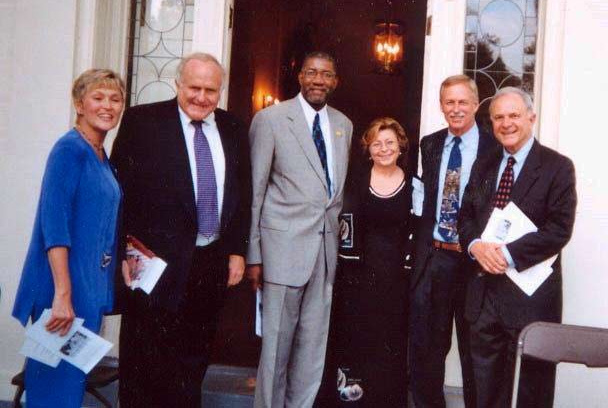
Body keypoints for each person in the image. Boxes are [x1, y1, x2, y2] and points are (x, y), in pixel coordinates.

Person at [111, 52, 251, 408]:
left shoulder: (234, 128)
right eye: (194, 88)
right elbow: (118, 193)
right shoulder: (143, 122)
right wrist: (121, 254)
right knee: (145, 364)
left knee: (193, 360)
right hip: (153, 264)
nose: (202, 97)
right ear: (178, 84)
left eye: (211, 90)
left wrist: (237, 250)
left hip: (210, 262)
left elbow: (242, 193)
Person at [12, 69, 125, 408]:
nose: (108, 106)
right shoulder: (68, 150)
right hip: (59, 292)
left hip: (84, 289)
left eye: (115, 99)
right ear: (79, 104)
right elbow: (54, 226)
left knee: (68, 390)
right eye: (98, 97)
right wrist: (62, 295)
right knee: (54, 395)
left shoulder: (100, 156)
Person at [458, 87, 577, 407]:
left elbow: (559, 229)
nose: (506, 123)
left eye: (514, 115)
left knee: (530, 393)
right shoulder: (483, 164)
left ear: (531, 118)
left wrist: (506, 255)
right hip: (484, 299)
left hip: (530, 302)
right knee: (485, 393)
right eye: (498, 117)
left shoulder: (558, 167)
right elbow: (466, 216)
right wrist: (475, 246)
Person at [248, 51, 353, 407]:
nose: (318, 81)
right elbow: (256, 190)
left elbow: (332, 195)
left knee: (312, 350)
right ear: (300, 76)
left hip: (324, 256)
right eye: (311, 73)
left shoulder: (343, 125)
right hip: (281, 253)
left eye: (326, 74)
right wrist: (254, 253)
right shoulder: (271, 120)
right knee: (276, 349)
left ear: (335, 81)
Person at [409, 74, 498, 408]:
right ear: (441, 105)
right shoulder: (430, 144)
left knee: (474, 354)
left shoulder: (494, 146)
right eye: (450, 102)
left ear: (476, 105)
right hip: (435, 259)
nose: (456, 109)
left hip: (474, 264)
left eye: (463, 102)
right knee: (427, 352)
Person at [319, 117, 416, 407]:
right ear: (368, 149)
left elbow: (418, 230)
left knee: (389, 347)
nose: (384, 149)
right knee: (355, 342)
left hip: (396, 281)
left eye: (390, 142)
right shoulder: (356, 181)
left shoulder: (415, 185)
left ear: (400, 146)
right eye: (377, 143)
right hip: (357, 279)